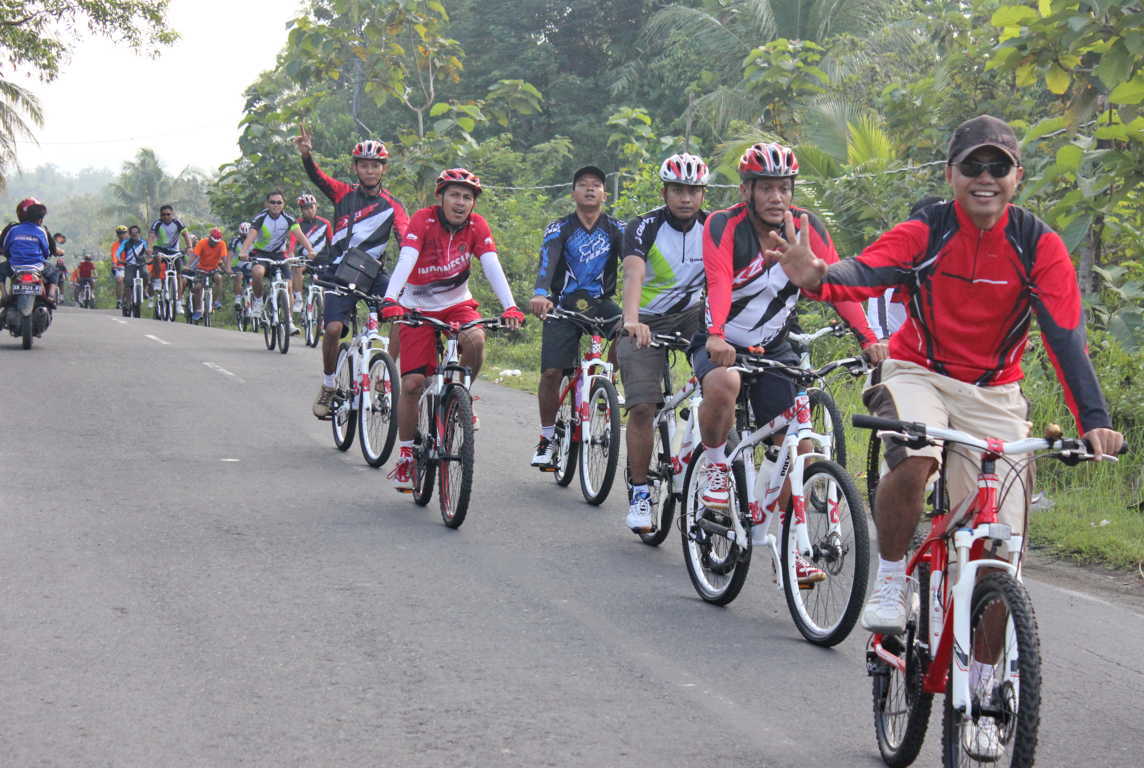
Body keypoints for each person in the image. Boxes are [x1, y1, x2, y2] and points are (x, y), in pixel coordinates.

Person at [774, 116, 1123, 746]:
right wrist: (818, 276)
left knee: (997, 556)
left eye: (998, 168)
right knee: (916, 454)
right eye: (973, 167)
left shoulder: (1038, 245)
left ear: (1017, 177)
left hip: (994, 392)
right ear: (950, 176)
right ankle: (887, 581)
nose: (984, 179)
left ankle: (986, 696)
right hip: (919, 373)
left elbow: (1065, 337)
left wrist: (1093, 421)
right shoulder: (928, 229)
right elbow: (868, 268)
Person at [694, 141, 881, 585]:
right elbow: (719, 280)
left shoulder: (806, 228)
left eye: (784, 188)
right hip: (722, 339)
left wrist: (870, 338)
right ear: (747, 191)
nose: (776, 197)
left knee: (791, 447)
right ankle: (717, 466)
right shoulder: (724, 225)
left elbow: (836, 285)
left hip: (774, 345)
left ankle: (788, 545)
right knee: (723, 383)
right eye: (766, 189)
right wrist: (718, 335)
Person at [379, 168, 525, 491]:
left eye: (467, 197)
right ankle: (406, 455)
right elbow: (406, 258)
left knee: (475, 340)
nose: (461, 202)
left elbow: (491, 266)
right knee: (414, 382)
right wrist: (392, 298)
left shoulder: (477, 226)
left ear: (473, 203)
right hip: (417, 305)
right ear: (440, 197)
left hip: (457, 303)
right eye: (455, 195)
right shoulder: (422, 220)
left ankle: (462, 398)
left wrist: (510, 306)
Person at [617, 153, 711, 533]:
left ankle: (717, 459)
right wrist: (631, 320)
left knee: (724, 381)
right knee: (642, 406)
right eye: (678, 190)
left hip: (694, 315)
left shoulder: (715, 227)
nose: (685, 198)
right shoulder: (644, 226)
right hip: (647, 318)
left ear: (703, 194)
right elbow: (633, 274)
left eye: (692, 190)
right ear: (665, 192)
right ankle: (640, 493)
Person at [293, 124, 410, 420]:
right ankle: (330, 385)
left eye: (375, 166)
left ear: (383, 169)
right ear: (356, 167)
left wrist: (410, 271)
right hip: (339, 273)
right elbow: (317, 178)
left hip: (374, 274)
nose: (370, 171)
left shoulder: (393, 205)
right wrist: (307, 155)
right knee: (332, 330)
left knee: (401, 314)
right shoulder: (343, 193)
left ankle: (386, 376)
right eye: (364, 165)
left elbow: (406, 238)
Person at [528, 165, 625, 468]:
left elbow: (635, 264)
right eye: (583, 184)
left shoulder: (617, 229)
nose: (590, 189)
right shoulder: (560, 228)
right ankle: (546, 438)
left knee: (627, 330)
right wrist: (541, 293)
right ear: (573, 193)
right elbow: (548, 260)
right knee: (551, 373)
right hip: (563, 303)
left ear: (604, 194)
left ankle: (607, 381)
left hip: (600, 302)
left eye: (596, 184)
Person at [238, 190, 317, 329]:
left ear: (283, 204)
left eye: (279, 202)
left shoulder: (288, 219)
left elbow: (300, 236)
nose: (276, 205)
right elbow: (251, 236)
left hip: (280, 255)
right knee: (257, 273)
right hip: (261, 253)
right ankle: (258, 301)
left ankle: (290, 322)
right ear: (267, 204)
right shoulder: (260, 218)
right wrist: (244, 251)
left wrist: (310, 250)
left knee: (289, 286)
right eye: (272, 202)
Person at [0, 198, 59, 305]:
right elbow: (46, 252)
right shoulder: (41, 231)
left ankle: (4, 295)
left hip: (15, 267)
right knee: (55, 272)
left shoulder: (13, 230)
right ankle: (50, 296)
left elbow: (5, 248)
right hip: (37, 267)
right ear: (39, 218)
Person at [147, 204, 193, 310]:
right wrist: (149, 247)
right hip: (160, 249)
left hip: (174, 251)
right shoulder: (157, 224)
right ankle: (158, 280)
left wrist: (189, 247)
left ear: (172, 214)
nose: (166, 217)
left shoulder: (178, 223)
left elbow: (186, 234)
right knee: (157, 257)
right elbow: (151, 236)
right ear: (160, 215)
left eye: (168, 214)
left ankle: (178, 303)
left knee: (179, 275)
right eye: (163, 215)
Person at [291, 192, 331, 309]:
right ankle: (298, 299)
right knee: (296, 268)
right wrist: (291, 256)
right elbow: (292, 243)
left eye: (311, 207)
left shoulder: (325, 223)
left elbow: (331, 243)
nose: (309, 210)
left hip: (323, 260)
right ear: (301, 210)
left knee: (326, 288)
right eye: (305, 208)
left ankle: (325, 313)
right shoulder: (297, 224)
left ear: (316, 206)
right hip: (305, 260)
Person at [186, 227, 230, 321]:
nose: (214, 243)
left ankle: (215, 301)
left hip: (213, 268)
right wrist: (188, 265)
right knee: (198, 287)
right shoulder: (202, 242)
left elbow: (225, 257)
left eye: (216, 241)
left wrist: (228, 268)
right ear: (209, 237)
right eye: (213, 241)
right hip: (201, 268)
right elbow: (194, 255)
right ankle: (198, 310)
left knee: (219, 278)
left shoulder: (222, 244)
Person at [116, 225, 150, 309]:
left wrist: (150, 259)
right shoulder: (126, 243)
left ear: (139, 233)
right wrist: (119, 260)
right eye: (132, 233)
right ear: (130, 234)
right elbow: (118, 253)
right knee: (127, 282)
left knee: (146, 275)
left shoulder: (143, 242)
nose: (135, 234)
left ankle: (144, 290)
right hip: (129, 265)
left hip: (141, 264)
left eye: (136, 233)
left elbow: (148, 253)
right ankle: (128, 301)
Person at [230, 222, 252, 298]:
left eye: (247, 236)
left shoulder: (255, 241)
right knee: (239, 276)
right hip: (237, 265)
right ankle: (238, 299)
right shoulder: (235, 241)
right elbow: (230, 254)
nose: (245, 238)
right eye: (243, 236)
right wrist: (228, 268)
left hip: (250, 265)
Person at [110, 225, 128, 308]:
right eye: (119, 233)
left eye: (123, 233)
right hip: (119, 266)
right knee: (119, 280)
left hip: (130, 265)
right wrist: (114, 264)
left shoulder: (131, 243)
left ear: (127, 234)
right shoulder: (115, 245)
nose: (121, 235)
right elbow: (114, 255)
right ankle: (119, 301)